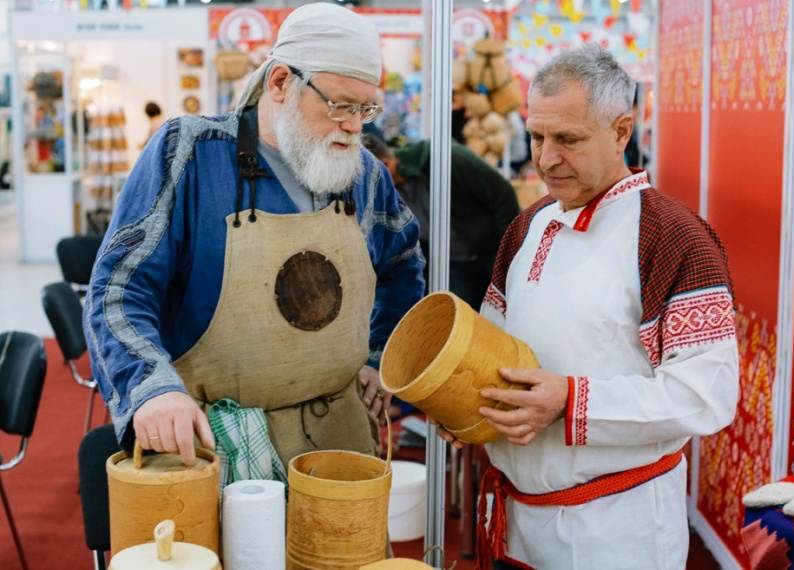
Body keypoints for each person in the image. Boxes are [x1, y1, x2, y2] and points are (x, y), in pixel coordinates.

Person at [84, 3, 425, 482]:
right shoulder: (191, 155)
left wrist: (380, 357)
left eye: (365, 109)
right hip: (211, 445)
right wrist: (152, 389)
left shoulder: (364, 177)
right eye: (340, 105)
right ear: (281, 82)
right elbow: (118, 289)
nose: (354, 126)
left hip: (337, 441)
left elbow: (403, 266)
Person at [440, 44, 739, 569]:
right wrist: (465, 405)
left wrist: (571, 400)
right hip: (519, 523)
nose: (545, 159)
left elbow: (706, 396)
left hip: (617, 531)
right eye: (537, 137)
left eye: (568, 139)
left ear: (621, 131)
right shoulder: (527, 226)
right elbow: (493, 346)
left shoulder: (674, 238)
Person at [363, 134, 520, 311]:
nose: (368, 189)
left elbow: (503, 195)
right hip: (451, 265)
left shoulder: (446, 158)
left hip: (487, 256)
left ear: (385, 165)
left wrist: (507, 255)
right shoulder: (388, 192)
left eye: (370, 181)